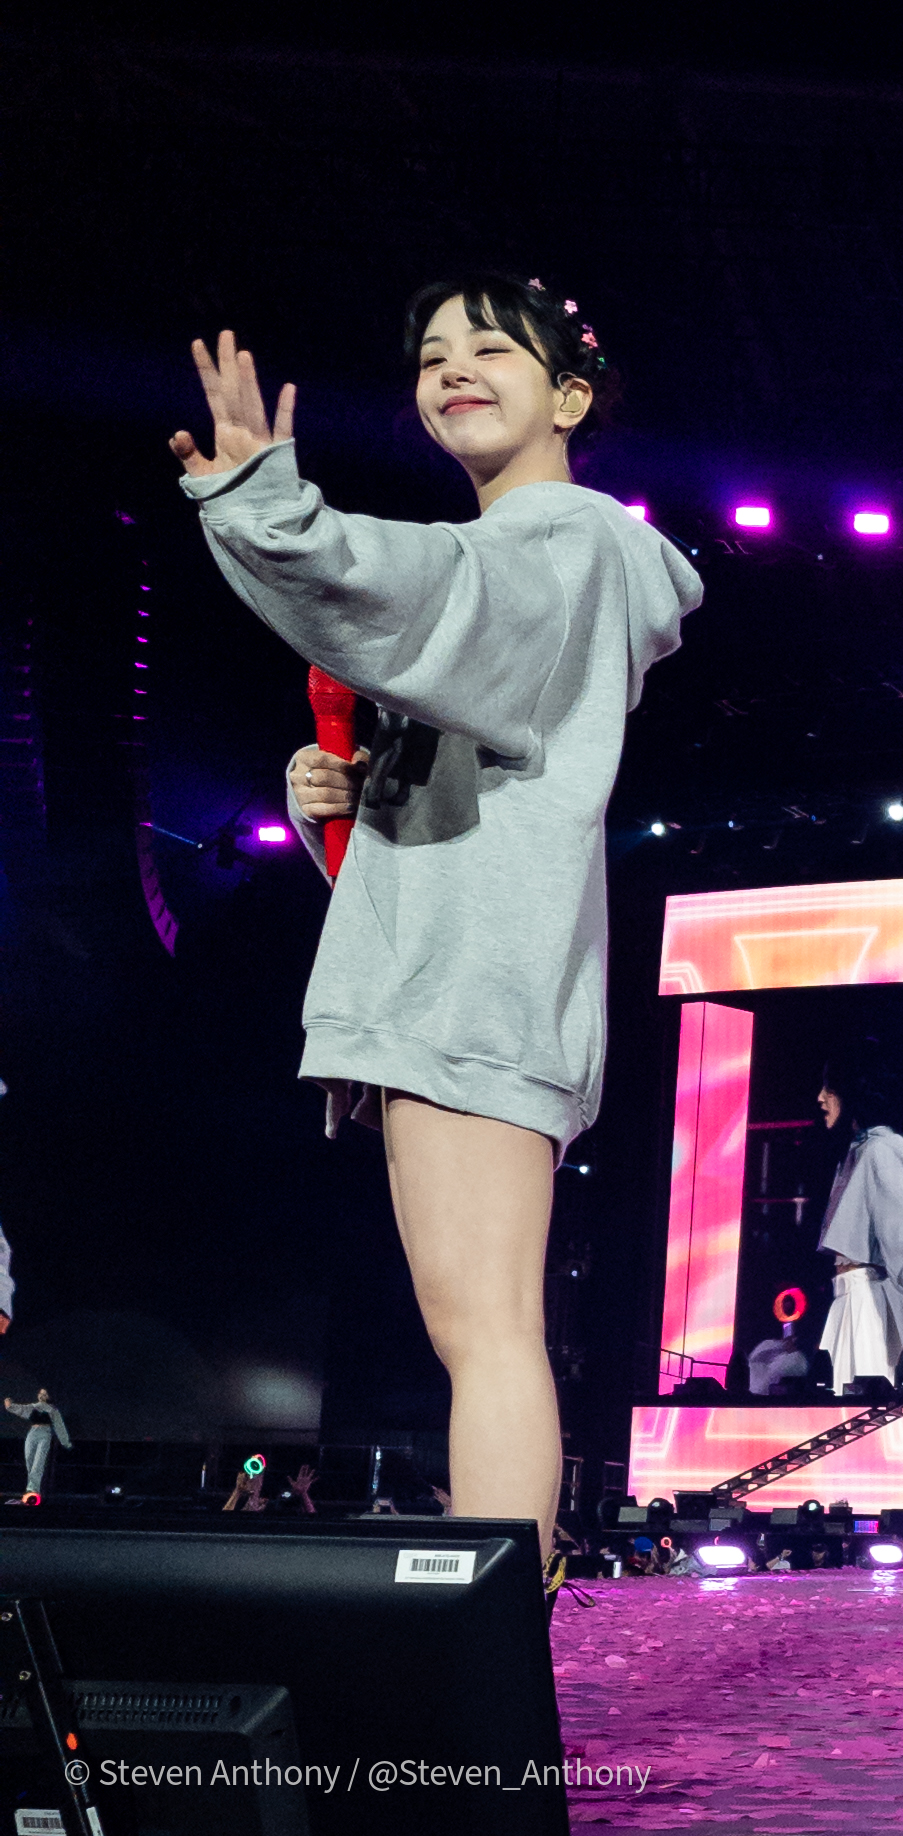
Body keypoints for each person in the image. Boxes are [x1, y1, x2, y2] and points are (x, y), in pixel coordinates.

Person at [176, 284, 699, 1574]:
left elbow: (405, 587)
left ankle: (499, 1646)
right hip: (465, 970)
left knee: (487, 1333)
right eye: (431, 355)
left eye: (489, 347)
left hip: (477, 980)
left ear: (570, 395)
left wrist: (267, 505)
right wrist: (339, 808)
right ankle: (499, 1636)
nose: (452, 368)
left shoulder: (561, 541)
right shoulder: (534, 561)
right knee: (478, 1329)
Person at [813, 1064, 903, 1391]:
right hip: (853, 1299)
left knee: (864, 1405)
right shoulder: (859, 1152)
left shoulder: (878, 1152)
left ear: (851, 1094)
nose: (820, 1098)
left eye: (829, 1089)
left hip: (869, 1306)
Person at [4, 1390, 69, 1499]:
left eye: (45, 1394)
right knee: (29, 1459)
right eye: (40, 1393)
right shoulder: (33, 1407)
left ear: (49, 1396)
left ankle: (33, 1489)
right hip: (33, 1433)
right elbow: (21, 1409)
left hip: (45, 1434)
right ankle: (32, 1487)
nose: (42, 1395)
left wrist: (65, 1441)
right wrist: (10, 1405)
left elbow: (59, 1426)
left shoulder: (52, 1410)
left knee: (38, 1461)